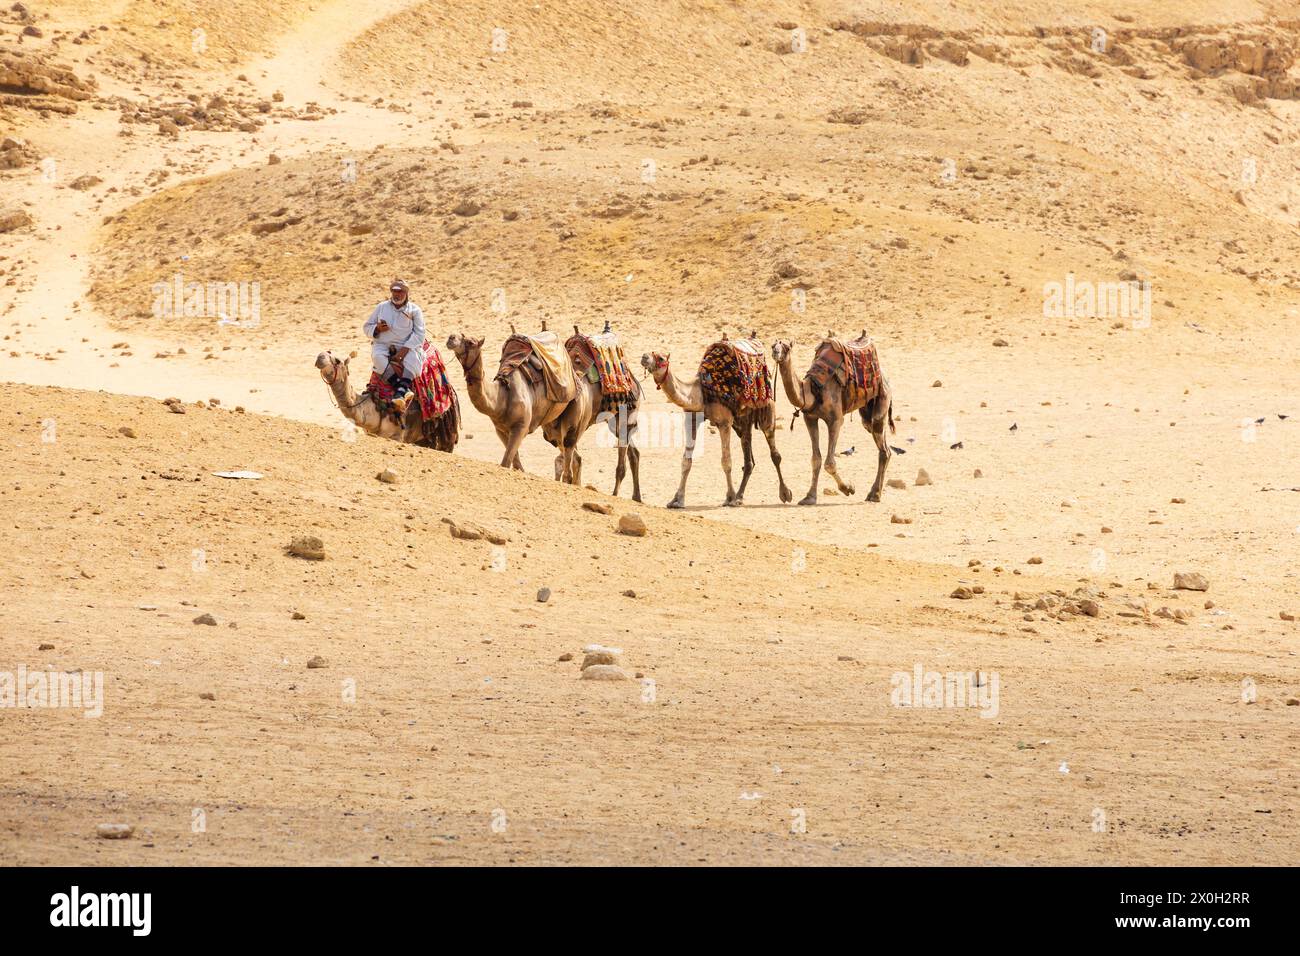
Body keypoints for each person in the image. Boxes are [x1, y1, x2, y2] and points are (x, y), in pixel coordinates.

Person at [363, 279, 426, 413]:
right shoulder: (381, 307)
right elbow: (367, 327)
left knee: (414, 360)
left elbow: (419, 334)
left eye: (400, 292)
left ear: (406, 293)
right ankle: (402, 389)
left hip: (407, 345)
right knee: (377, 357)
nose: (397, 295)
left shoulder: (414, 310)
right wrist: (378, 328)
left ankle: (401, 391)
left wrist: (403, 351)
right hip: (383, 344)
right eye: (394, 291)